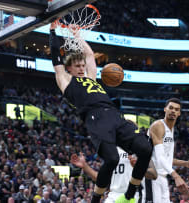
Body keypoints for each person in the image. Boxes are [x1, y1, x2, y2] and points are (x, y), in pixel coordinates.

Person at [49, 22, 153, 203]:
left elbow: (89, 55)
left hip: (114, 114)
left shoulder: (92, 78)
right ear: (69, 69)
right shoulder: (66, 81)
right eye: (77, 66)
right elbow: (56, 58)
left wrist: (77, 36)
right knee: (111, 159)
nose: (82, 68)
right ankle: (96, 198)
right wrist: (52, 30)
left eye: (82, 65)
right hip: (95, 117)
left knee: (145, 149)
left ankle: (131, 191)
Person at [146, 98, 189, 203]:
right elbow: (159, 157)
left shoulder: (171, 130)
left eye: (176, 109)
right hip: (149, 175)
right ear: (165, 109)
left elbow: (165, 158)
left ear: (179, 113)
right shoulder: (158, 126)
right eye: (171, 108)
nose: (173, 111)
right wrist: (176, 176)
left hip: (161, 176)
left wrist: (186, 163)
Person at [70, 149, 157, 203]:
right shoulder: (112, 152)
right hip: (113, 195)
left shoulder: (141, 150)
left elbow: (154, 174)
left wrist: (139, 167)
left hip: (132, 196)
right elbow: (101, 179)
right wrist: (85, 166)